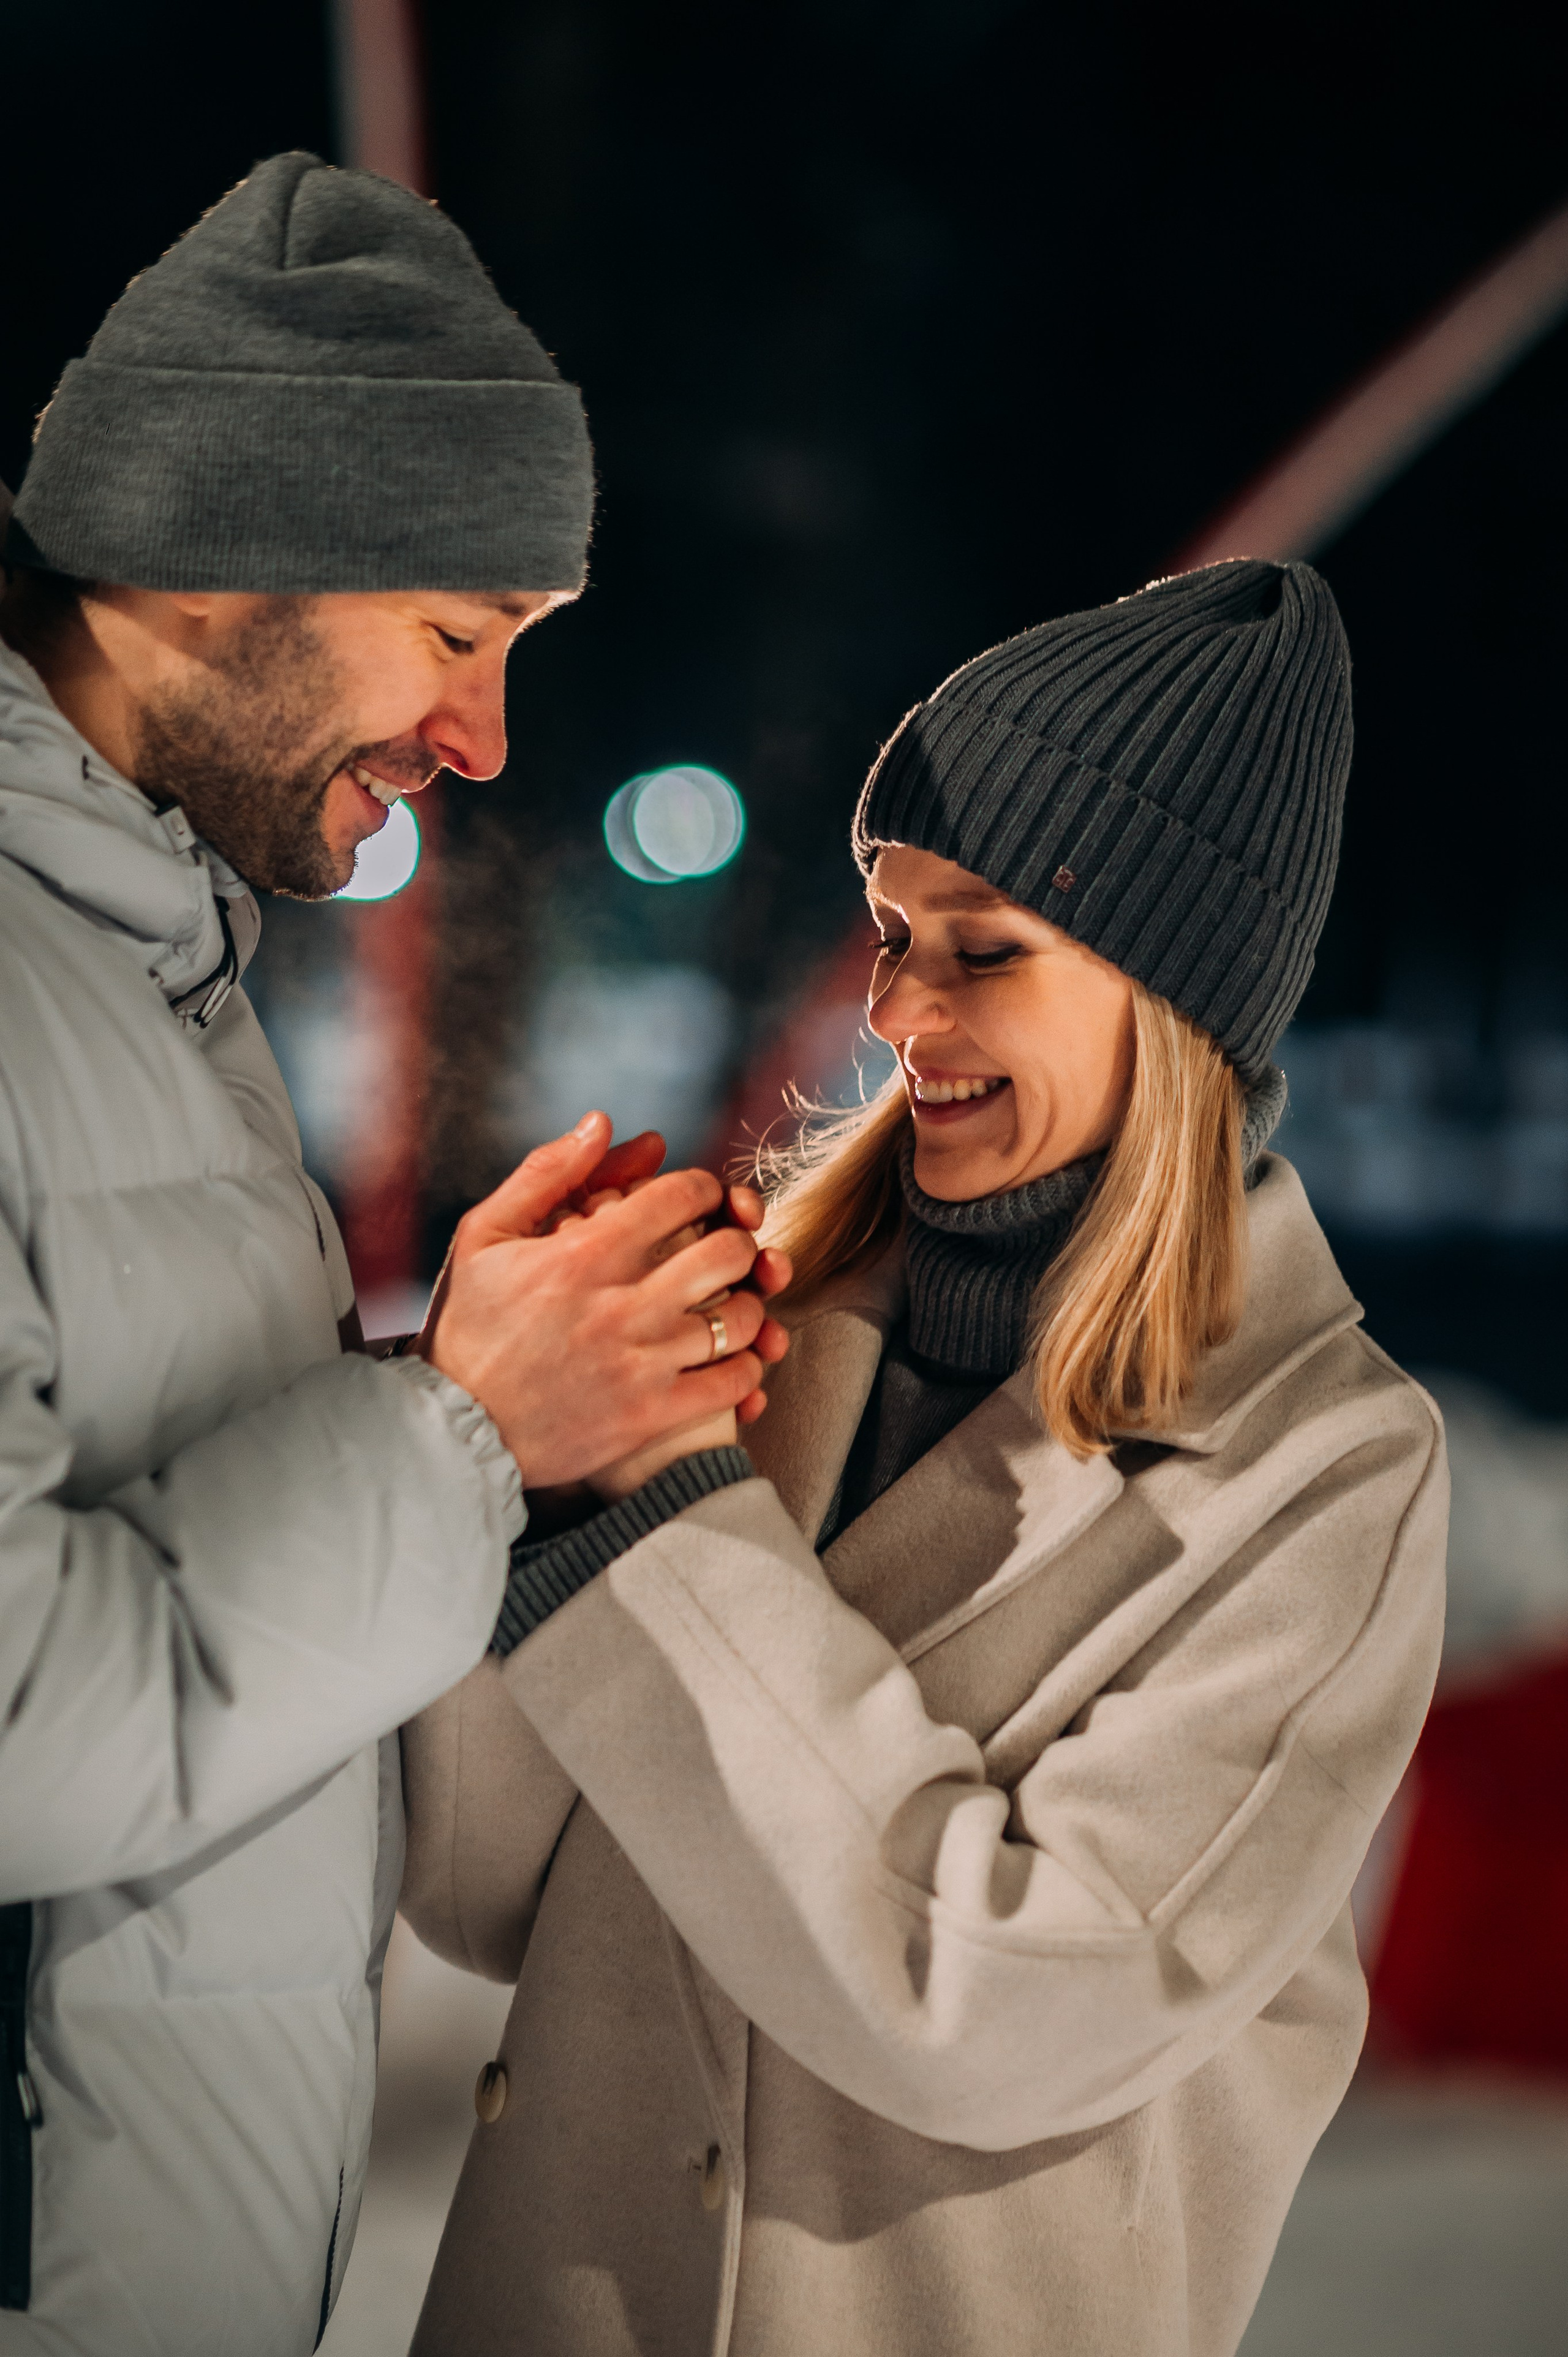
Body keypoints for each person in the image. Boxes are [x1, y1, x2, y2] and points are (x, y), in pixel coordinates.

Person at [401, 559, 1449, 2357]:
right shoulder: (776, 1314)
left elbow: (1014, 2011)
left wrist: (659, 1517)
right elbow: (488, 1897)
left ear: (1172, 999)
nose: (896, 1012)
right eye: (893, 930)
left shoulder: (1324, 1473)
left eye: (987, 950)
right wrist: (524, 1444)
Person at [0, 153, 785, 2354]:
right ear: (198, 556)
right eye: (457, 633)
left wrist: (469, 1391)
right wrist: (452, 1434)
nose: (484, 742)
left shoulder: (146, 968)